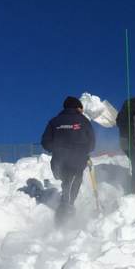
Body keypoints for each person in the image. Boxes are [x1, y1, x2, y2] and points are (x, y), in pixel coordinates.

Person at [40, 96, 96, 225]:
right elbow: (92, 143)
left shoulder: (54, 121)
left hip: (58, 161)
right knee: (73, 181)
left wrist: (58, 148)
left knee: (67, 181)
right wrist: (83, 150)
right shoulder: (84, 121)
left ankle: (66, 204)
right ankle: (65, 211)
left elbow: (45, 142)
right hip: (77, 159)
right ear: (77, 107)